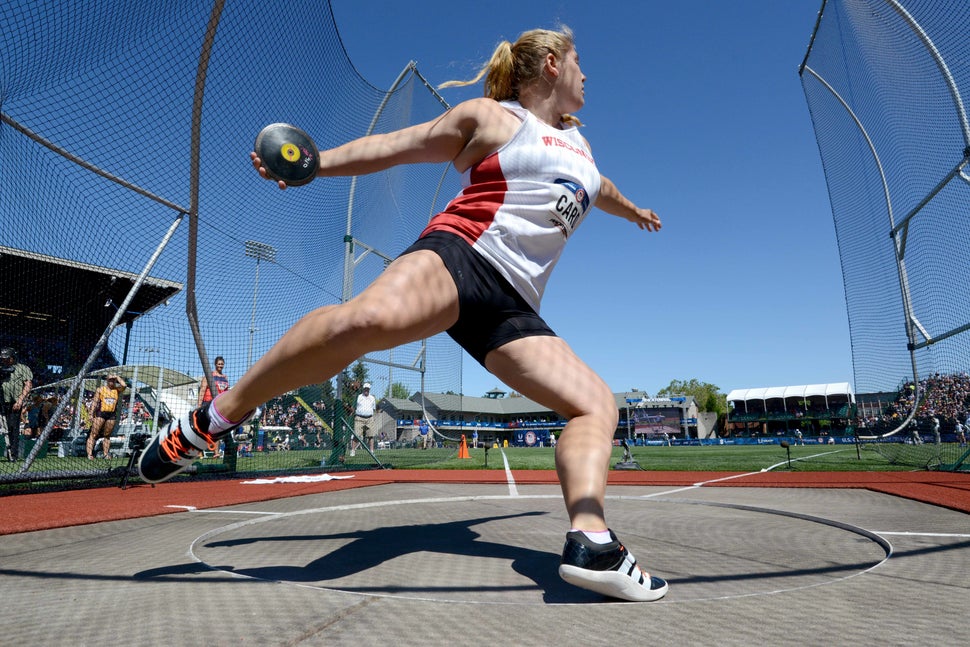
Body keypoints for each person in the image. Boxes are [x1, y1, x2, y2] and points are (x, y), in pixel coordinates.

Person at [138, 26, 667, 602]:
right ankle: (211, 420)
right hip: (462, 257)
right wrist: (316, 164)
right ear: (548, 64)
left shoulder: (584, 151)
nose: (586, 74)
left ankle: (590, 540)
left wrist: (633, 209)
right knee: (358, 324)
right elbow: (398, 145)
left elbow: (601, 187)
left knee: (595, 406)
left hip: (514, 308)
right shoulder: (495, 119)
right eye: (578, 61)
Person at [1, 347, 33, 461]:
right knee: (5, 428)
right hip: (1, 401)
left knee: (12, 428)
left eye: (6, 358)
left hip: (15, 403)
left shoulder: (22, 368)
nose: (4, 360)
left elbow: (28, 385)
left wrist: (20, 400)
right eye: (3, 359)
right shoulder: (1, 368)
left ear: (13, 358)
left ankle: (12, 455)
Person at [197, 356, 230, 457]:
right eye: (219, 364)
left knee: (218, 429)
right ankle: (199, 452)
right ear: (215, 364)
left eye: (222, 364)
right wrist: (199, 405)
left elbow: (226, 393)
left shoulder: (225, 378)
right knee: (204, 428)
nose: (220, 365)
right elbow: (202, 390)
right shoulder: (209, 375)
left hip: (218, 405)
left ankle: (216, 452)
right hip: (207, 403)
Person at [87, 374, 126, 459]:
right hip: (100, 413)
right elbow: (95, 402)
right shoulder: (100, 389)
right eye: (110, 380)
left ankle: (106, 454)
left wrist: (117, 377)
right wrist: (91, 414)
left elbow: (124, 385)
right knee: (94, 434)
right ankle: (90, 454)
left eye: (113, 380)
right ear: (107, 380)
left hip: (111, 414)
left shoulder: (117, 390)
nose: (112, 381)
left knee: (107, 435)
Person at [350, 382, 378, 455]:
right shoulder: (358, 397)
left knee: (371, 436)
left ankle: (371, 451)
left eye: (368, 389)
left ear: (369, 389)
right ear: (363, 389)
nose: (366, 390)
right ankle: (353, 450)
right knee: (356, 435)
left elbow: (374, 409)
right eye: (365, 389)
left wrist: (373, 418)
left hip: (369, 419)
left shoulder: (372, 398)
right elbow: (353, 407)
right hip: (359, 418)